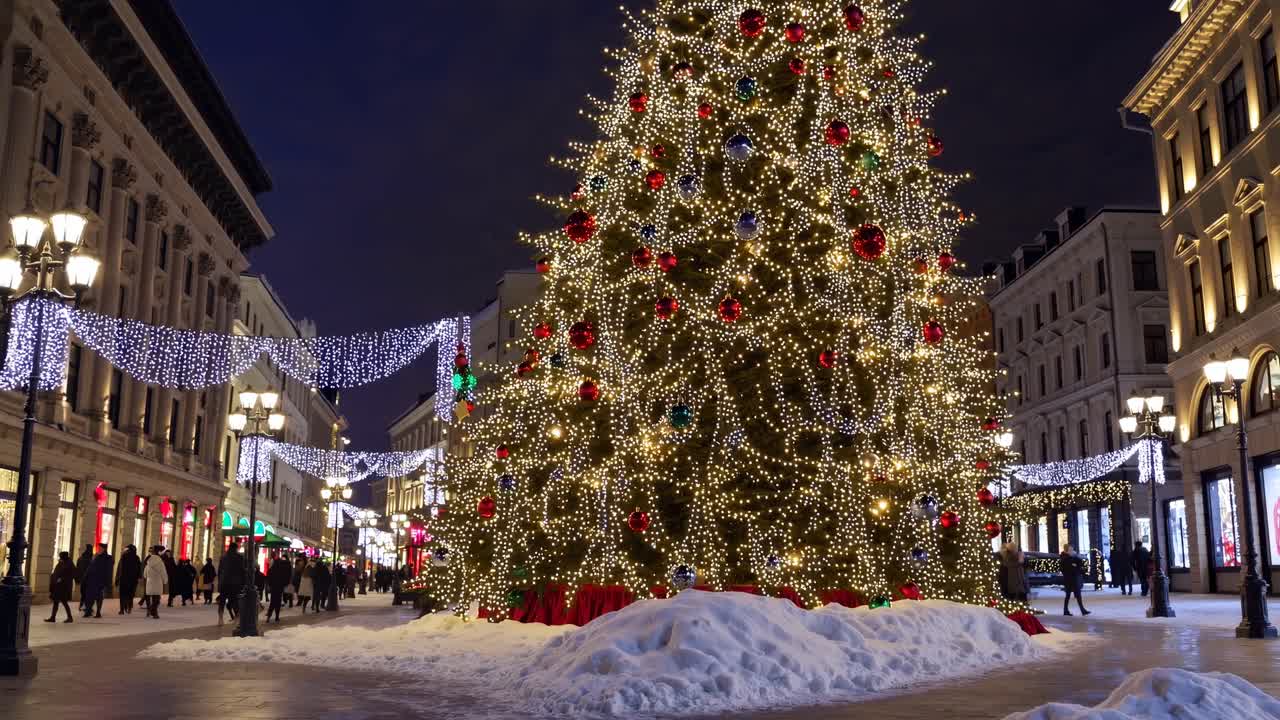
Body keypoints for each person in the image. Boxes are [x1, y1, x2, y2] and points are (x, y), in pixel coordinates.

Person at [81, 543, 113, 618]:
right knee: (89, 596)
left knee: (98, 597)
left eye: (100, 548)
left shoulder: (108, 558)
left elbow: (109, 571)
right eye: (98, 548)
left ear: (104, 549)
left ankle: (98, 612)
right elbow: (90, 567)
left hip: (100, 581)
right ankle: (88, 611)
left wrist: (107, 583)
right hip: (91, 580)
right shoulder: (95, 556)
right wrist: (86, 577)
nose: (98, 549)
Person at [217, 542, 245, 624]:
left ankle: (220, 619)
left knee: (222, 601)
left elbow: (220, 571)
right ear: (236, 548)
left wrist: (219, 582)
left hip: (224, 582)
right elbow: (242, 571)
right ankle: (237, 618)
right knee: (234, 600)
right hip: (235, 583)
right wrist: (243, 583)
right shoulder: (239, 557)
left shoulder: (223, 557)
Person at [45, 551, 77, 623]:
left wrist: (62, 578)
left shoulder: (69, 564)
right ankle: (53, 617)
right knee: (56, 602)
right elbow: (57, 572)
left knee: (64, 602)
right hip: (58, 586)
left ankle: (70, 617)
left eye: (61, 556)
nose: (60, 557)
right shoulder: (62, 562)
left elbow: (72, 574)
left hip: (64, 587)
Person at [1059, 544, 1090, 616]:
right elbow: (1070, 568)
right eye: (1070, 550)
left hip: (1073, 578)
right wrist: (1074, 565)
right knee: (1069, 595)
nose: (1072, 551)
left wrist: (1075, 557)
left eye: (1072, 550)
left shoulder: (1072, 557)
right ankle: (1067, 610)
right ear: (1066, 550)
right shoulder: (1065, 558)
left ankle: (1081, 610)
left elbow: (1079, 564)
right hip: (1069, 579)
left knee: (1076, 595)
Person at [115, 544, 142, 615]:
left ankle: (122, 609)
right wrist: (139, 577)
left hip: (124, 579)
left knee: (122, 594)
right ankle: (129, 607)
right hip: (133, 580)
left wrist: (117, 579)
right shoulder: (137, 558)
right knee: (130, 594)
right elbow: (139, 569)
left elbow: (120, 568)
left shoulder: (124, 556)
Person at [266, 552, 292, 622]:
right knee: (278, 601)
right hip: (280, 586)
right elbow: (287, 576)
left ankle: (269, 616)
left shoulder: (273, 568)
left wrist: (270, 584)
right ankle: (276, 616)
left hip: (274, 586)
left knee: (273, 601)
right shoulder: (283, 568)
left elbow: (269, 575)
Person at [142, 545, 167, 618]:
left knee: (152, 597)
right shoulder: (160, 562)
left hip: (149, 582)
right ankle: (154, 612)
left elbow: (145, 573)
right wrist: (165, 580)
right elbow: (163, 572)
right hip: (157, 582)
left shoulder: (149, 561)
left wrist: (146, 577)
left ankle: (152, 611)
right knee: (156, 598)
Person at [74, 543, 93, 612]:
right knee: (88, 594)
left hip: (83, 579)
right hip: (88, 579)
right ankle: (86, 607)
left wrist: (77, 579)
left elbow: (77, 569)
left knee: (84, 593)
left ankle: (82, 606)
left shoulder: (80, 558)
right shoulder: (91, 559)